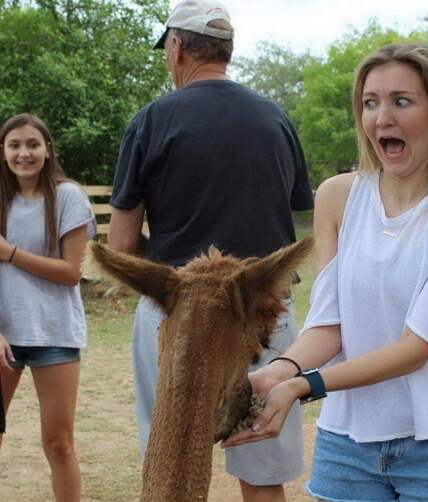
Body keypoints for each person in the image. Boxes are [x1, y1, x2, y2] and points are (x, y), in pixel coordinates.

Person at [223, 43, 428, 501]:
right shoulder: (337, 197)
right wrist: (278, 370)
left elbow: (416, 349)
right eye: (370, 103)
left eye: (401, 101)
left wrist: (304, 385)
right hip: (349, 446)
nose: (381, 118)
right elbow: (330, 323)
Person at [107, 1, 314, 501]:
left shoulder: (152, 120)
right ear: (227, 51)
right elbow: (297, 219)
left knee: (171, 457)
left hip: (175, 316)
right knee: (263, 475)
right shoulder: (276, 120)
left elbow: (121, 244)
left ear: (176, 48)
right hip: (262, 312)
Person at [0, 113, 96, 502]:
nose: (24, 153)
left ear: (47, 150)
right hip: (3, 334)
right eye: (15, 145)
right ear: (3, 152)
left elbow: (72, 272)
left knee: (58, 444)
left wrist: (10, 253)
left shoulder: (68, 196)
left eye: (32, 145)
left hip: (53, 332)